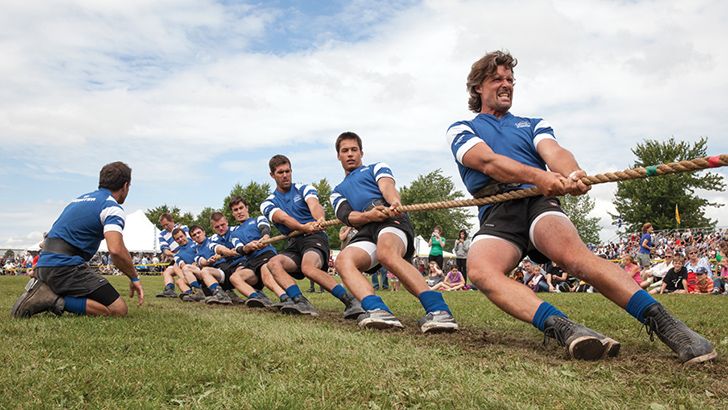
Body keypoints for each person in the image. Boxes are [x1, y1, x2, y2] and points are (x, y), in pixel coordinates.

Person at [446, 50, 714, 363]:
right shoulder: (462, 128)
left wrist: (572, 172)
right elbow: (487, 162)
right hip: (499, 210)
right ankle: (565, 328)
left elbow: (554, 151)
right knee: (480, 271)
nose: (506, 84)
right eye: (497, 79)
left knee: (575, 258)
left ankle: (671, 327)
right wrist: (539, 176)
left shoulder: (531, 124)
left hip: (537, 201)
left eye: (510, 79)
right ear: (478, 87)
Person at [331, 132, 458, 332]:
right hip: (366, 227)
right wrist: (368, 217)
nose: (350, 154)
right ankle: (377, 310)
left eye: (354, 150)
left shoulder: (376, 167)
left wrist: (394, 201)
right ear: (338, 156)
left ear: (361, 152)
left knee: (386, 252)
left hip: (391, 218)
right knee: (343, 261)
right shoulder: (336, 191)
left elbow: (387, 186)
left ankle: (439, 310)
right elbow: (347, 215)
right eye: (344, 151)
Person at [11, 161, 144, 318]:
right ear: (125, 186)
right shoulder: (111, 207)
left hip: (45, 265)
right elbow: (116, 250)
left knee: (97, 300)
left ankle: (47, 288)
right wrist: (134, 277)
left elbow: (48, 239)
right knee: (118, 310)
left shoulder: (78, 201)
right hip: (65, 267)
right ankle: (50, 298)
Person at [261, 155, 363, 318]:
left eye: (288, 171)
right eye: (280, 172)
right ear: (272, 175)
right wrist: (302, 227)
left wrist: (319, 219)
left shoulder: (304, 188)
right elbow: (283, 218)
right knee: (273, 263)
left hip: (314, 237)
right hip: (294, 242)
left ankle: (350, 301)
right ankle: (300, 301)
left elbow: (314, 204)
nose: (285, 175)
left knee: (308, 267)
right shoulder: (268, 202)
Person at [155, 213, 190, 298]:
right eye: (163, 226)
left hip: (188, 254)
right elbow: (165, 250)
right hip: (176, 257)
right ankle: (169, 290)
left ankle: (190, 286)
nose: (165, 227)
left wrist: (180, 254)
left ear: (172, 221)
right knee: (167, 272)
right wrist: (175, 255)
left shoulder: (183, 228)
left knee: (176, 266)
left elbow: (188, 241)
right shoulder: (162, 234)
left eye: (167, 224)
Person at [169, 227, 206, 302]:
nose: (180, 239)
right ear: (175, 241)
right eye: (177, 239)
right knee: (179, 281)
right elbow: (182, 265)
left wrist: (197, 263)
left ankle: (198, 292)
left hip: (202, 269)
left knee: (188, 268)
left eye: (181, 236)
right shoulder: (177, 254)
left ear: (185, 235)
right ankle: (190, 293)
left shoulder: (196, 243)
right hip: (191, 273)